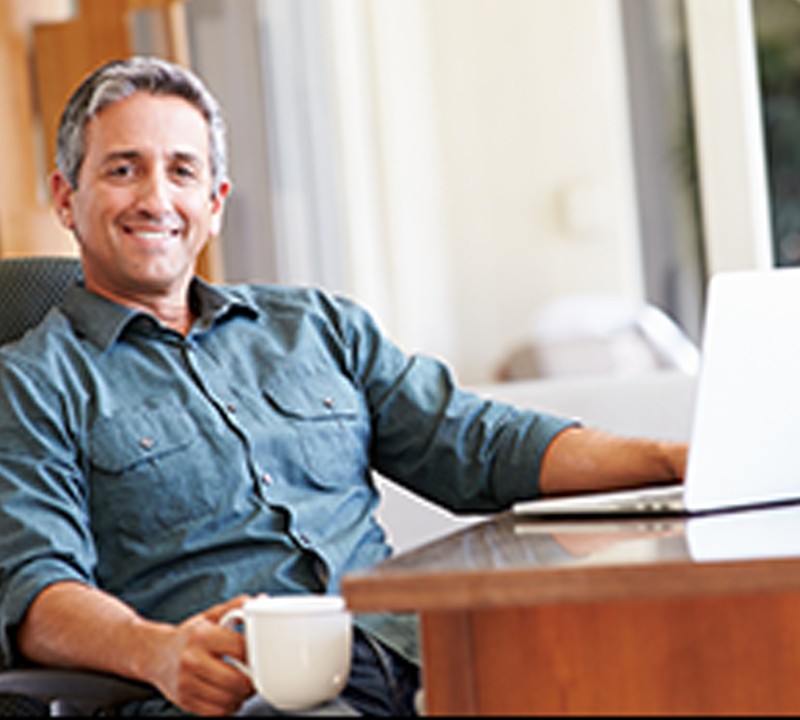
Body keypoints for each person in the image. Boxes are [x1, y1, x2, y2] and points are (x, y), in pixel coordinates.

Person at [0, 56, 687, 717]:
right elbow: (34, 588)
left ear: (215, 204)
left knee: (641, 676)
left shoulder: (317, 326)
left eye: (183, 171)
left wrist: (678, 462)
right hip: (243, 692)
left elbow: (480, 443)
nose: (156, 198)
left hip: (414, 654)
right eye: (124, 170)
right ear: (67, 197)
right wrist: (156, 652)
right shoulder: (32, 382)